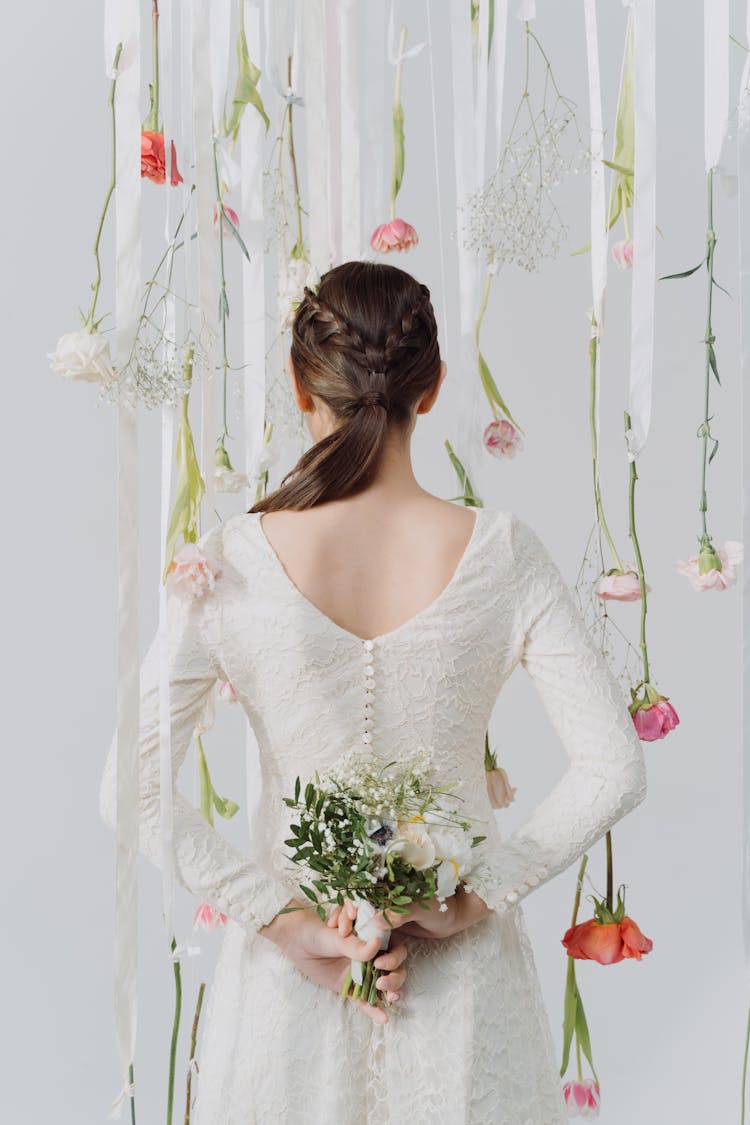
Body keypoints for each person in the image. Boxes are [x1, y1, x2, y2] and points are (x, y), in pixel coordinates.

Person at [99, 260, 648, 1124]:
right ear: (428, 390)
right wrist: (475, 895)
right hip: (463, 993)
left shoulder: (232, 561)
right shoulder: (502, 552)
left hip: (289, 998)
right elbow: (614, 767)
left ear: (297, 383)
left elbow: (126, 788)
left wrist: (282, 919)